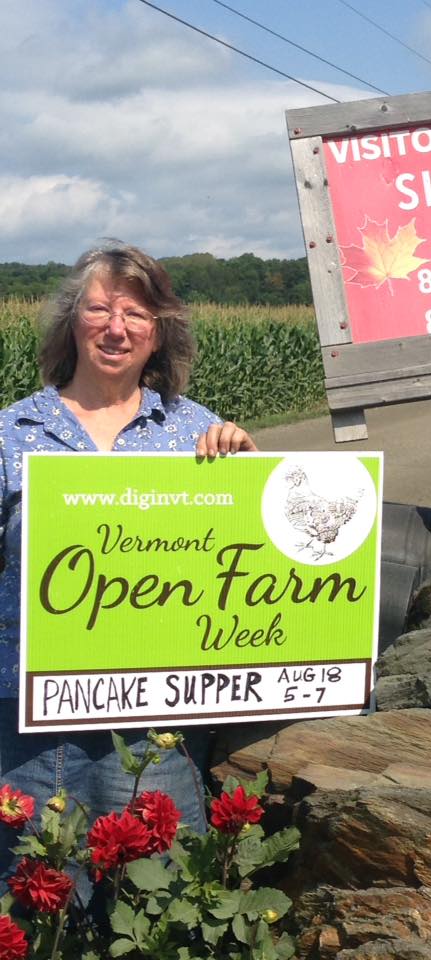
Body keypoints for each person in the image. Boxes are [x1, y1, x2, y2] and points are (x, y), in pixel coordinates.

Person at [0, 242, 256, 877]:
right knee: (41, 908)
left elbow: (245, 562)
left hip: (153, 726)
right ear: (71, 323)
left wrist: (251, 473)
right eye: (98, 309)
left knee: (157, 899)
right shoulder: (12, 434)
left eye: (135, 314)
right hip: (31, 726)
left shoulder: (195, 430)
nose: (116, 328)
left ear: (157, 332)